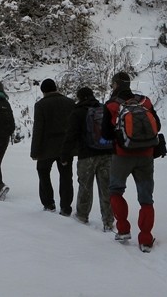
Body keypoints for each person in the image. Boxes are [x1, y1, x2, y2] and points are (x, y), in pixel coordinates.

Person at [101, 70, 160, 251]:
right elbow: (157, 125)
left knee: (116, 191)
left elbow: (105, 133)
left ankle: (124, 229)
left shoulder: (111, 105)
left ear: (116, 84)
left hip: (122, 155)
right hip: (146, 156)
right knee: (146, 199)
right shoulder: (145, 102)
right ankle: (145, 239)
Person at [65, 86, 115, 230]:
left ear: (79, 97)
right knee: (106, 188)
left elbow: (71, 135)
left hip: (86, 155)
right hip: (106, 153)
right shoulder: (103, 108)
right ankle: (108, 221)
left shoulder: (78, 112)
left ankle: (82, 216)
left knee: (85, 186)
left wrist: (65, 154)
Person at [29, 78, 74, 213]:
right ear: (56, 88)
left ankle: (49, 203)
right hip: (65, 147)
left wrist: (35, 151)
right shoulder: (70, 103)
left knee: (43, 173)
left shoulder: (41, 105)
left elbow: (38, 129)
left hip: (46, 147)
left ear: (43, 91)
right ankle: (66, 207)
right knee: (66, 176)